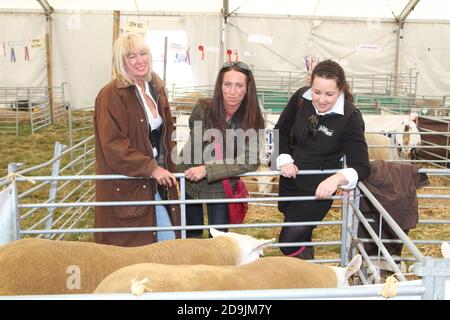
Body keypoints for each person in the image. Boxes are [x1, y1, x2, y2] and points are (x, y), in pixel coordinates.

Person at [274, 59, 370, 259]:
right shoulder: (301, 98)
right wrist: (284, 158)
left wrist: (336, 179)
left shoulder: (350, 118)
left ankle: (306, 271)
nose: (321, 100)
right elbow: (280, 130)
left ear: (341, 89)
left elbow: (361, 166)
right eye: (317, 92)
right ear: (311, 85)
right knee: (300, 234)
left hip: (319, 190)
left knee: (287, 241)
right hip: (290, 180)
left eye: (329, 94)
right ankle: (306, 279)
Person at [94, 32, 180, 247]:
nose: (140, 61)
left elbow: (167, 134)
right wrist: (151, 168)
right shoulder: (111, 95)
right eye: (131, 56)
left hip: (155, 181)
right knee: (144, 247)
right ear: (121, 61)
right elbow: (114, 146)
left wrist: (174, 164)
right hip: (128, 184)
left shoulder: (155, 88)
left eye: (143, 53)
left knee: (162, 245)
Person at [178, 61, 265, 238]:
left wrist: (208, 170)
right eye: (227, 84)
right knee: (190, 235)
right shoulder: (203, 109)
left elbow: (250, 160)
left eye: (239, 85)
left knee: (218, 237)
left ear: (248, 88)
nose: (232, 92)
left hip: (221, 185)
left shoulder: (253, 119)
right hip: (190, 178)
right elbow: (200, 146)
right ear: (220, 86)